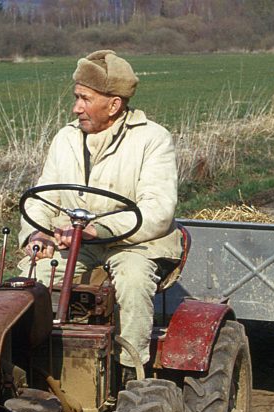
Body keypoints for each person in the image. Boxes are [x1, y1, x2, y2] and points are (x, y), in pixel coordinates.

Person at [19, 49, 182, 377]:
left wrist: (99, 229)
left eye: (84, 98)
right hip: (74, 242)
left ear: (114, 104)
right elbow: (41, 196)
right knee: (29, 281)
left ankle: (131, 370)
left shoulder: (152, 139)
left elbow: (158, 210)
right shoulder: (65, 139)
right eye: (76, 97)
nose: (76, 107)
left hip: (135, 244)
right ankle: (35, 364)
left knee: (134, 281)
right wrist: (36, 232)